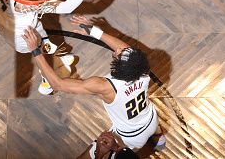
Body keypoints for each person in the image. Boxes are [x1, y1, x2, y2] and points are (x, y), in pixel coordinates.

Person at [22, 16, 164, 151]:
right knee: (153, 130)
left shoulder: (104, 86)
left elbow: (57, 85)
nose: (119, 49)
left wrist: (35, 50)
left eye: (120, 54)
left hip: (130, 137)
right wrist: (92, 30)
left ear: (120, 68)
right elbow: (126, 50)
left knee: (97, 153)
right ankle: (160, 140)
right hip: (151, 119)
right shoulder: (142, 69)